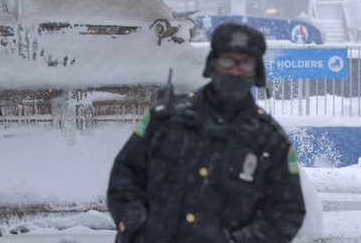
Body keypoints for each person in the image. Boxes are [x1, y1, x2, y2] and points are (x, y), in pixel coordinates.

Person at [107, 23, 305, 243]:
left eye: (246, 63)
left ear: (257, 72)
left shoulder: (269, 140)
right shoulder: (166, 119)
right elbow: (124, 177)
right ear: (212, 64)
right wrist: (137, 227)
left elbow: (288, 211)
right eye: (227, 61)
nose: (236, 71)